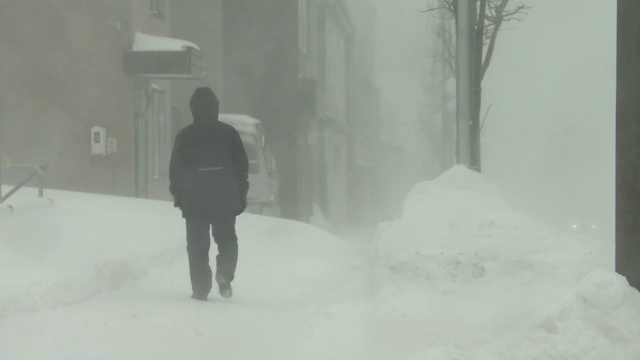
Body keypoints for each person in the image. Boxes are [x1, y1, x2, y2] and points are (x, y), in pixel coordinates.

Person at [169, 87, 249, 301]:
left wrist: (179, 197)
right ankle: (224, 272)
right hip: (225, 198)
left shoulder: (184, 136)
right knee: (226, 240)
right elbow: (242, 167)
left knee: (197, 246)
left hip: (194, 200)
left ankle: (200, 288)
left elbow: (175, 171)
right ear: (216, 108)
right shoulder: (229, 134)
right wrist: (241, 195)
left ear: (192, 109)